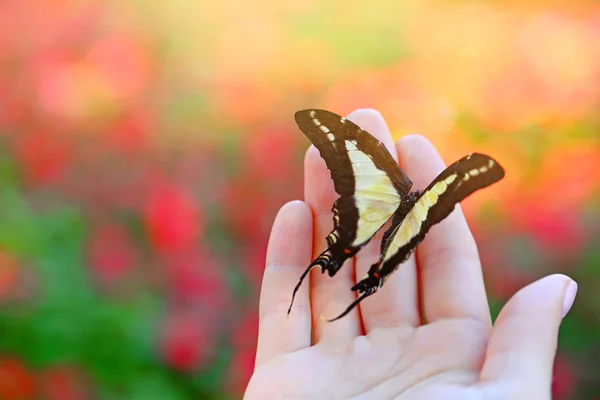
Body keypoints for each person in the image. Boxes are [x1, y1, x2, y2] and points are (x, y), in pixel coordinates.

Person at [244, 109, 578, 399]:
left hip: (377, 219)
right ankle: (367, 271)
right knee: (379, 250)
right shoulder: (419, 196)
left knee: (374, 249)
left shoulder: (405, 189)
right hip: (383, 221)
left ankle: (363, 267)